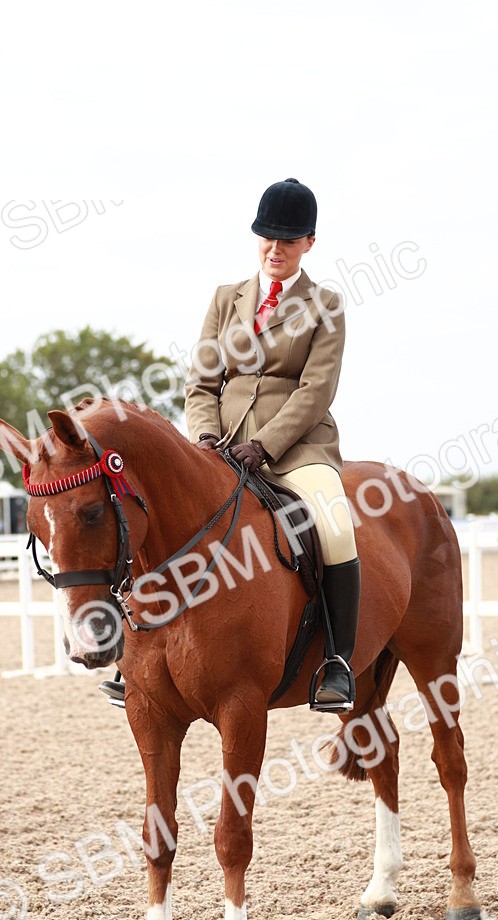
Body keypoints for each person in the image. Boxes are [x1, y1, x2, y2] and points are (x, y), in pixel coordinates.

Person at [184, 177, 360, 711]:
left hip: (297, 447)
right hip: (221, 443)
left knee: (335, 528)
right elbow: (201, 382)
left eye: (288, 240)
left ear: (309, 242)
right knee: (167, 517)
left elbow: (316, 389)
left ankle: (337, 661)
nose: (275, 249)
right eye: (268, 237)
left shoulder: (325, 304)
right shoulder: (226, 298)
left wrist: (264, 445)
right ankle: (141, 657)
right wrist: (205, 437)